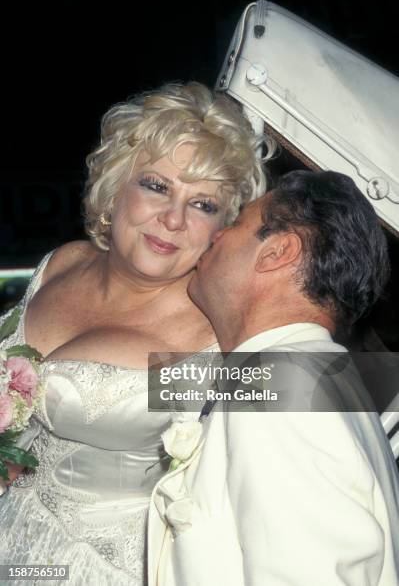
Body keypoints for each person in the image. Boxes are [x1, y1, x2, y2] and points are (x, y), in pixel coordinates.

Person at [0, 82, 271, 585]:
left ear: (222, 229)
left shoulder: (214, 330)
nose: (173, 219)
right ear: (116, 186)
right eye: (157, 185)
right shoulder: (60, 264)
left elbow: (333, 394)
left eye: (203, 205)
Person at [147, 170, 399, 586]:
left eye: (237, 223)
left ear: (278, 252)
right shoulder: (316, 376)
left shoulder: (282, 388)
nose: (216, 235)